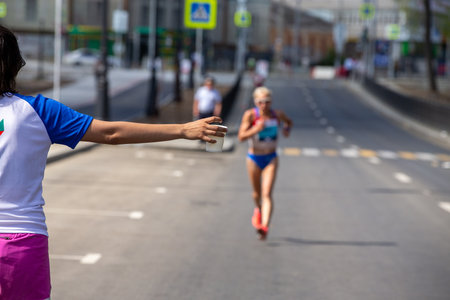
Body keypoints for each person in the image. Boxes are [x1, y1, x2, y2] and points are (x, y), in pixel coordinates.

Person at [0, 25, 227, 300]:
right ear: (14, 64)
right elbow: (112, 133)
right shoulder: (38, 111)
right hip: (21, 241)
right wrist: (182, 130)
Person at [238, 86, 292, 240]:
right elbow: (241, 137)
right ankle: (258, 209)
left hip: (271, 158)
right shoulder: (250, 115)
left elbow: (289, 122)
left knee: (267, 193)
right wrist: (256, 129)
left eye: (267, 101)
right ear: (255, 102)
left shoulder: (277, 115)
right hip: (254, 158)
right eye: (260, 102)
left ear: (271, 101)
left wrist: (287, 129)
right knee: (257, 194)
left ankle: (264, 226)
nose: (264, 105)